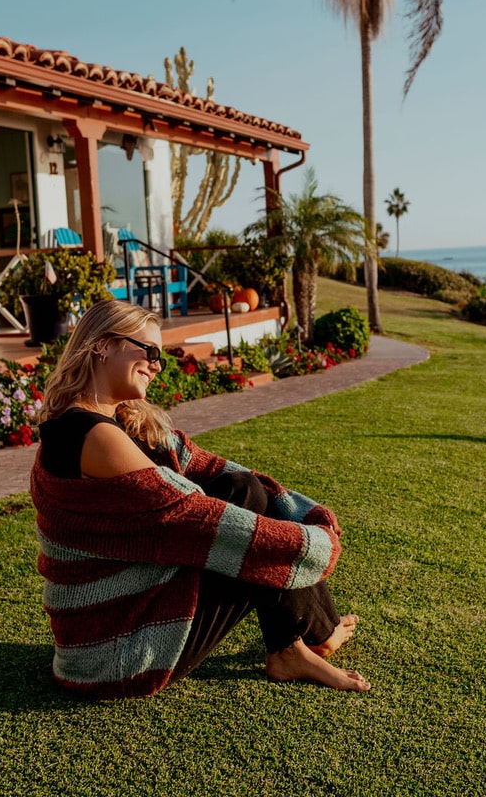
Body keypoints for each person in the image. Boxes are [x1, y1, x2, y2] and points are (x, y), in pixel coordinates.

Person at [30, 298, 370, 698]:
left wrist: (283, 503)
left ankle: (305, 638)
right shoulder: (93, 434)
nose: (157, 365)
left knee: (244, 493)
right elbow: (190, 514)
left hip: (101, 637)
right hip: (113, 654)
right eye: (149, 351)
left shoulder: (109, 423)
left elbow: (208, 472)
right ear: (103, 344)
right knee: (239, 520)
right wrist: (310, 542)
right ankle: (296, 646)